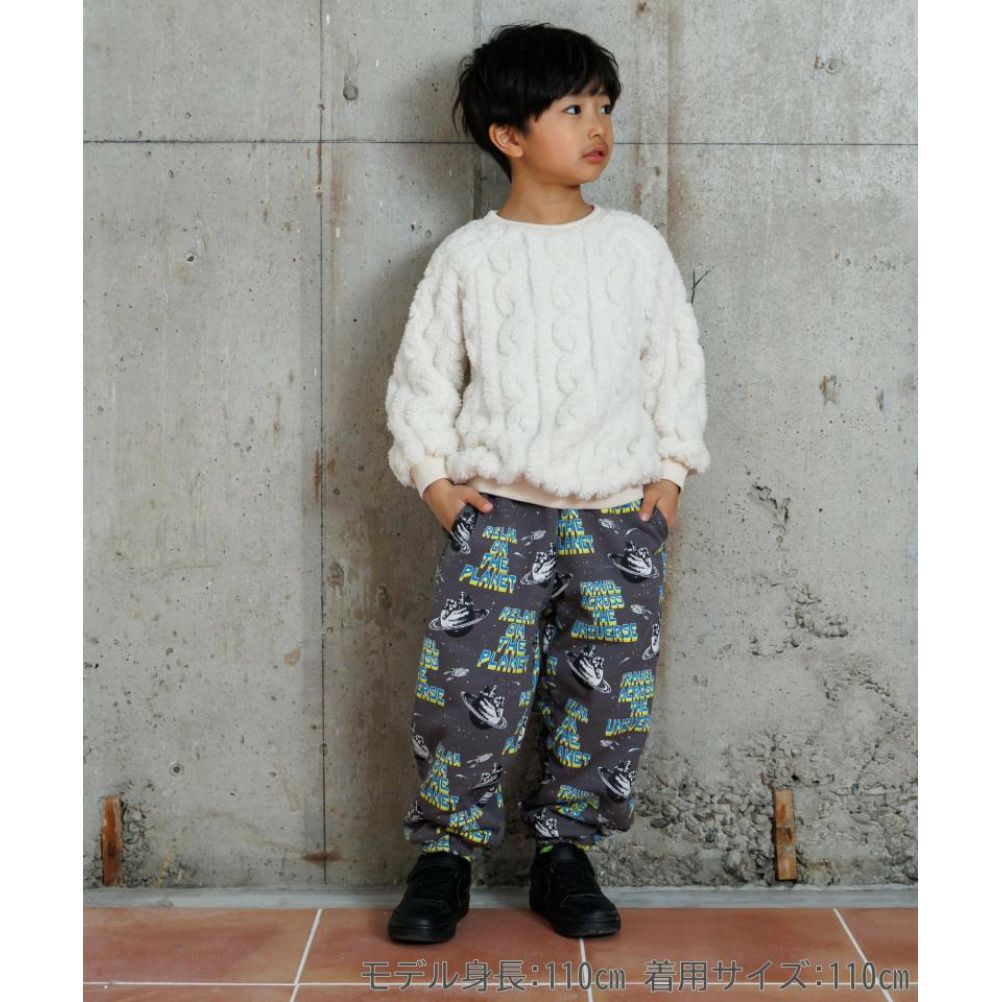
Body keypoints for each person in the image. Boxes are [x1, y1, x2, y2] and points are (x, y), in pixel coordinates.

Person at [383, 22, 710, 944]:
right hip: (499, 513)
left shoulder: (634, 246)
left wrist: (671, 474)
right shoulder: (469, 256)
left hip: (617, 513)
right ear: (510, 135)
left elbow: (674, 364)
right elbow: (423, 376)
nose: (597, 124)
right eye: (572, 108)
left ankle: (565, 854)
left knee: (607, 693)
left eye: (604, 106)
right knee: (466, 689)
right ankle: (445, 854)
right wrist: (434, 480)